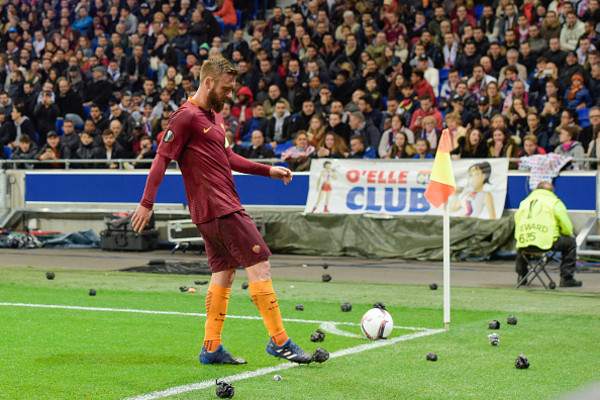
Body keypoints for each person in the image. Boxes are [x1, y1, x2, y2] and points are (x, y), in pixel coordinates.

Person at [131, 57, 314, 365]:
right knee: (260, 266)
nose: (231, 95)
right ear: (207, 82)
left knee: (223, 275)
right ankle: (280, 342)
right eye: (227, 89)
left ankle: (211, 347)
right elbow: (161, 158)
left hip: (212, 211)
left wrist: (268, 170)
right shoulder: (185, 117)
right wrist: (146, 203)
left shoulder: (215, 117)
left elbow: (228, 156)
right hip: (221, 208)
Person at [514, 181, 582, 287]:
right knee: (571, 243)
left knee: (521, 244)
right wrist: (564, 233)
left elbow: (517, 221)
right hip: (546, 242)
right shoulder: (554, 202)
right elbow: (567, 227)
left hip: (525, 241)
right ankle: (567, 278)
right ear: (551, 192)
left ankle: (522, 276)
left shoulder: (524, 202)